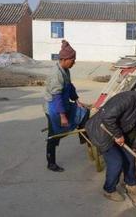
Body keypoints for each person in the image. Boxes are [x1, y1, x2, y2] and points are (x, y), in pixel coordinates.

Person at [85, 84, 136, 202]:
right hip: (101, 131)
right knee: (116, 161)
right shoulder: (127, 99)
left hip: (117, 132)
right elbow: (107, 117)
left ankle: (131, 184)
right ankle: (109, 190)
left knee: (130, 157)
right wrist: (118, 135)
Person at [44, 40, 87, 172]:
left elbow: (69, 86)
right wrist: (62, 116)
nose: (74, 62)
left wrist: (76, 100)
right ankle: (51, 163)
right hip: (54, 107)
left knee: (84, 112)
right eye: (73, 60)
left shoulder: (65, 70)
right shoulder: (56, 74)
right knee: (54, 135)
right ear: (65, 59)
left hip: (64, 103)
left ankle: (83, 138)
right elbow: (56, 97)